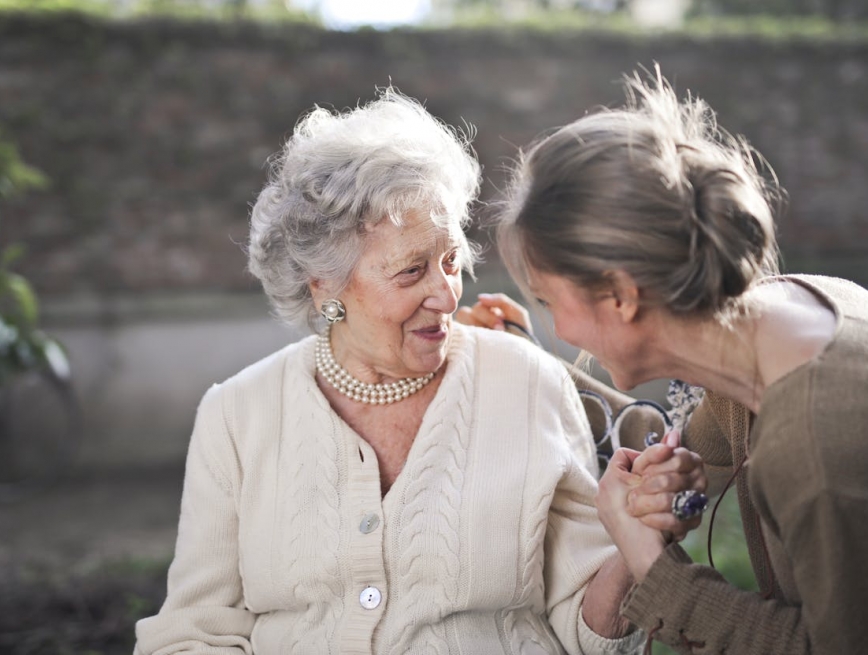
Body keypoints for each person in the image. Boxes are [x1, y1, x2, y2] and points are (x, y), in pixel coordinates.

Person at [133, 88, 705, 655]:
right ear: (325, 286)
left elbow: (585, 634)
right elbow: (195, 631)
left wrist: (636, 541)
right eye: (411, 272)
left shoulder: (528, 382)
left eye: (451, 261)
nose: (445, 294)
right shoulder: (237, 414)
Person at [491, 66, 868, 654]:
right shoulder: (779, 319)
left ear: (619, 295)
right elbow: (686, 454)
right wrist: (673, 477)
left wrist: (649, 562)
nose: (558, 328)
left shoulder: (813, 444)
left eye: (548, 300)